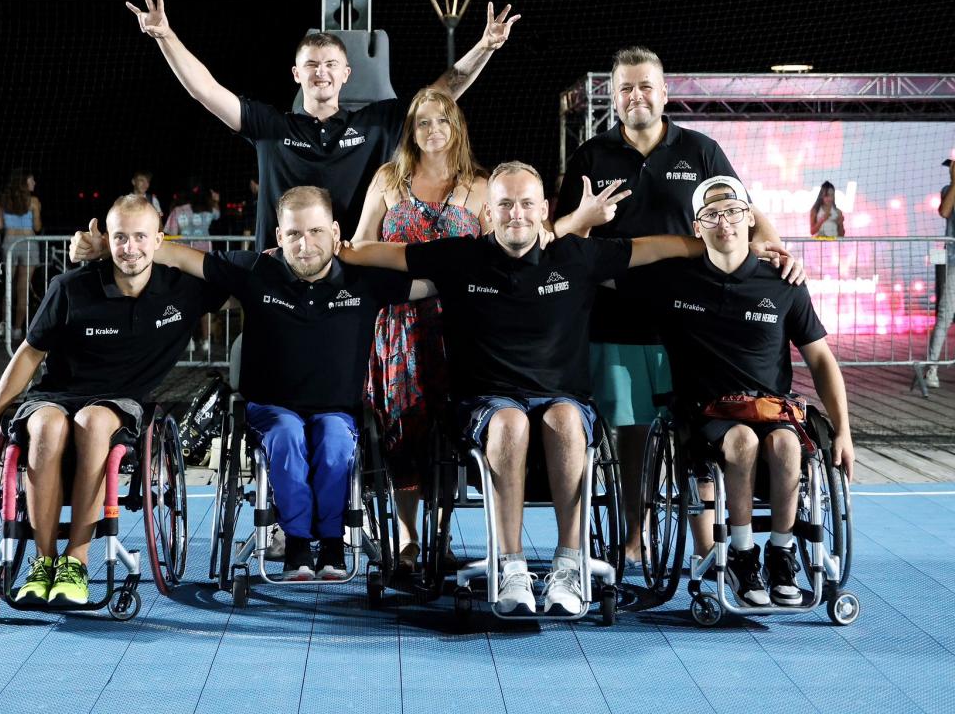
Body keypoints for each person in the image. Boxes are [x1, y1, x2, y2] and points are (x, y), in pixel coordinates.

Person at [342, 161, 707, 615]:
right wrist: (330, 251)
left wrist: (716, 243)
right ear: (488, 212)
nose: (517, 213)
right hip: (485, 403)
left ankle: (569, 565)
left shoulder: (575, 255)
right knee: (510, 421)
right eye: (505, 204)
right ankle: (511, 566)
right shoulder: (459, 256)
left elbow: (652, 248)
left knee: (566, 417)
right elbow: (383, 255)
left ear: (544, 209)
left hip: (562, 399)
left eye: (526, 204)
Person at [71, 186, 433, 580]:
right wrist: (108, 248)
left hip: (337, 410)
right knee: (287, 437)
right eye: (294, 234)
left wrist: (471, 269)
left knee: (334, 443)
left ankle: (332, 542)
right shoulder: (255, 271)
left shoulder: (364, 280)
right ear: (279, 236)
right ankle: (296, 543)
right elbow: (177, 255)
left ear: (334, 232)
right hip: (272, 409)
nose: (305, 245)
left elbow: (429, 284)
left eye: (315, 231)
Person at [552, 46, 800, 567]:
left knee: (695, 429)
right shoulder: (592, 157)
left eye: (646, 86)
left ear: (664, 93)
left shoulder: (701, 150)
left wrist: (778, 252)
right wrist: (586, 217)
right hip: (616, 316)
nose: (636, 96)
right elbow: (557, 235)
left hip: (691, 321)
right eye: (625, 88)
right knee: (631, 433)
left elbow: (746, 212)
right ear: (613, 97)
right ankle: (634, 536)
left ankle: (705, 543)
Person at [0, 194, 226, 605]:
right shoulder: (71, 287)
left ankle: (76, 561)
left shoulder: (182, 291)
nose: (130, 247)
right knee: (46, 425)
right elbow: (29, 354)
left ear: (159, 239)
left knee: (92, 421)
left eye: (140, 236)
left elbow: (245, 279)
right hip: (56, 395)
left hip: (119, 401)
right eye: (120, 237)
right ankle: (43, 562)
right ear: (107, 239)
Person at [124, 0, 519, 250]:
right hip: (281, 274)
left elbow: (442, 93)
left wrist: (485, 46)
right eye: (311, 64)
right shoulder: (271, 128)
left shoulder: (375, 123)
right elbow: (206, 90)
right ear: (296, 74)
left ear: (346, 73)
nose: (321, 72)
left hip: (352, 273)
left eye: (331, 64)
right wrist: (165, 37)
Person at [632, 176, 855, 606]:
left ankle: (782, 553)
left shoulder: (783, 282)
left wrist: (843, 431)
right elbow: (608, 268)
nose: (724, 222)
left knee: (787, 445)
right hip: (705, 414)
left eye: (733, 212)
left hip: (770, 409)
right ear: (697, 227)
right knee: (740, 440)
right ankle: (742, 554)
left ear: (750, 218)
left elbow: (822, 360)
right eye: (711, 215)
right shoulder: (673, 282)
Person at [351, 87, 489, 572]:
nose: (433, 130)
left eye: (442, 120)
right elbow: (361, 245)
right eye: (423, 122)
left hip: (457, 327)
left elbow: (498, 255)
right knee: (401, 429)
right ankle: (408, 537)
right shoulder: (389, 179)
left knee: (448, 431)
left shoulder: (480, 186)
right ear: (411, 130)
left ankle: (442, 534)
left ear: (457, 127)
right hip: (398, 327)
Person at [0, 169, 43, 341]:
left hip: (10, 243)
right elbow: (37, 227)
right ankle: (17, 329)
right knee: (23, 289)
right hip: (28, 243)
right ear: (24, 182)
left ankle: (5, 326)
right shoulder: (34, 201)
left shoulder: (3, 200)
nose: (34, 183)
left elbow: (0, 226)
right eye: (31, 180)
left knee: (8, 288)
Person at [925, 159, 955, 388]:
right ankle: (931, 368)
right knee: (945, 314)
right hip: (951, 260)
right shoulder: (948, 189)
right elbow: (944, 211)